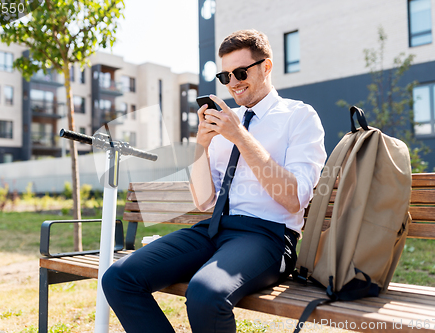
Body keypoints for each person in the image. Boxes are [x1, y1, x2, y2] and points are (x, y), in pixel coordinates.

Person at [102, 29, 327, 333]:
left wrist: (240, 137)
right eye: (225, 76)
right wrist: (201, 147)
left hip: (269, 237)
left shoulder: (299, 116)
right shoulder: (225, 122)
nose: (233, 83)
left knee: (205, 295)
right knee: (118, 278)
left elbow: (294, 198)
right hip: (214, 229)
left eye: (240, 72)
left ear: (267, 67)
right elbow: (204, 201)